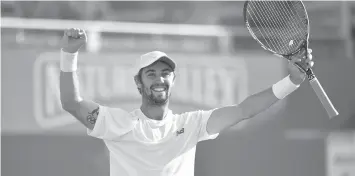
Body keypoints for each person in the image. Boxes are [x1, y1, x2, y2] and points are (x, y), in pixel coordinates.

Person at [59, 28, 314, 176]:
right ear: (138, 83)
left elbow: (244, 110)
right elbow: (71, 102)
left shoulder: (191, 124)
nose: (159, 79)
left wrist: (291, 81)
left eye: (165, 73)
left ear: (173, 79)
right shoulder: (119, 123)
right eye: (151, 74)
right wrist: (69, 54)